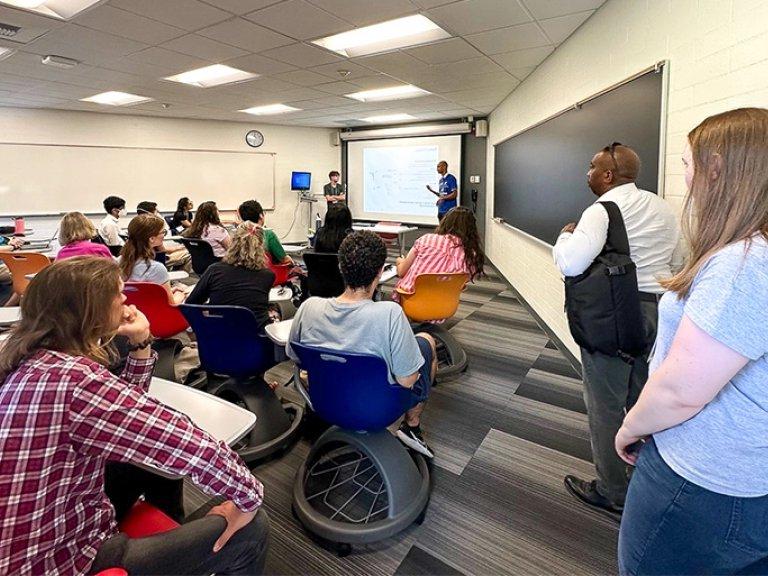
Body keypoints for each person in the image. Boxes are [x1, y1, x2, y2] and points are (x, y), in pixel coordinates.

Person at [0, 257, 269, 575]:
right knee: (253, 527)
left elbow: (124, 415)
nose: (127, 300)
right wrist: (250, 495)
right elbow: (184, 442)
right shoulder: (77, 381)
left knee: (149, 463)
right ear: (91, 309)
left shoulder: (23, 357)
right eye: (118, 293)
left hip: (43, 524)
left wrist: (141, 344)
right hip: (59, 560)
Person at [615, 108, 768, 575]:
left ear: (718, 169)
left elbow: (680, 392)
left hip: (701, 479)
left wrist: (630, 426)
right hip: (742, 475)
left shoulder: (743, 266)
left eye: (687, 164)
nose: (683, 179)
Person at [552, 143, 681, 517]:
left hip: (614, 316)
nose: (587, 173)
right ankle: (644, 476)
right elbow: (676, 263)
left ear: (608, 175)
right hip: (656, 313)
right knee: (642, 397)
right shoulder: (662, 207)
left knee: (605, 403)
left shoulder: (602, 210)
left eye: (592, 167)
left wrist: (563, 237)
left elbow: (572, 264)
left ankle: (612, 490)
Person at [286, 230, 437, 458]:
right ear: (379, 271)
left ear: (340, 267)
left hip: (325, 402)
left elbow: (296, 359)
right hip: (378, 410)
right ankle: (412, 426)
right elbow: (407, 381)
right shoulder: (390, 314)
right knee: (426, 343)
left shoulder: (308, 307)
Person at [187, 221, 275, 331]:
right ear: (261, 247)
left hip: (217, 337)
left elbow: (191, 304)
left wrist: (203, 326)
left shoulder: (214, 270)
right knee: (274, 313)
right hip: (255, 341)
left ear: (233, 243)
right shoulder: (268, 276)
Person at [394, 206, 484, 302]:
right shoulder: (471, 255)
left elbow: (401, 272)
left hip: (411, 301)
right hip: (443, 306)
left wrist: (399, 260)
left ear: (445, 222)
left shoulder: (426, 239)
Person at [120, 214, 186, 305]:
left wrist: (168, 291)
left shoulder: (117, 262)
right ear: (151, 238)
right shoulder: (156, 268)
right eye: (163, 232)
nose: (164, 235)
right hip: (153, 316)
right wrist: (180, 294)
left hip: (130, 311)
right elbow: (171, 304)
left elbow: (139, 294)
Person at [137, 201, 191, 270]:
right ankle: (176, 277)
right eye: (156, 210)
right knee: (189, 253)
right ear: (150, 213)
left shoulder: (136, 226)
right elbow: (163, 250)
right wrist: (178, 248)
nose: (158, 212)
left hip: (142, 261)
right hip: (156, 260)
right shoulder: (154, 228)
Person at [237, 200, 292, 265]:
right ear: (261, 215)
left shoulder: (238, 235)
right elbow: (284, 260)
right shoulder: (268, 235)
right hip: (265, 272)